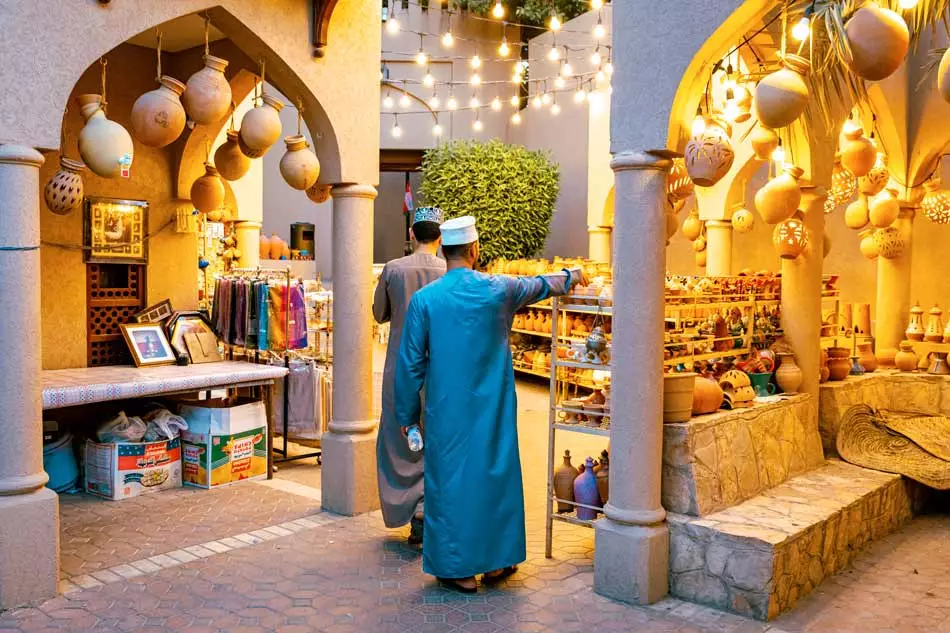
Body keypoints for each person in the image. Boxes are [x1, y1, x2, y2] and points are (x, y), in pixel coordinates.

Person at [393, 216, 584, 592]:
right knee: (495, 477)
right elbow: (544, 284)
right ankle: (497, 563)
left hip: (446, 411)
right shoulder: (500, 289)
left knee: (450, 484)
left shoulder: (425, 301)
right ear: (475, 250)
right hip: (493, 408)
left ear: (445, 252)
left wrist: (406, 416)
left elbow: (409, 364)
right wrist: (573, 274)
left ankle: (457, 569)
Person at [373, 206, 447, 545]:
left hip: (401, 370)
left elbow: (379, 313)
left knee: (400, 440)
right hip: (442, 371)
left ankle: (408, 509)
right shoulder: (451, 270)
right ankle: (429, 512)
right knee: (437, 440)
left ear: (412, 234)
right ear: (441, 238)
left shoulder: (393, 269)